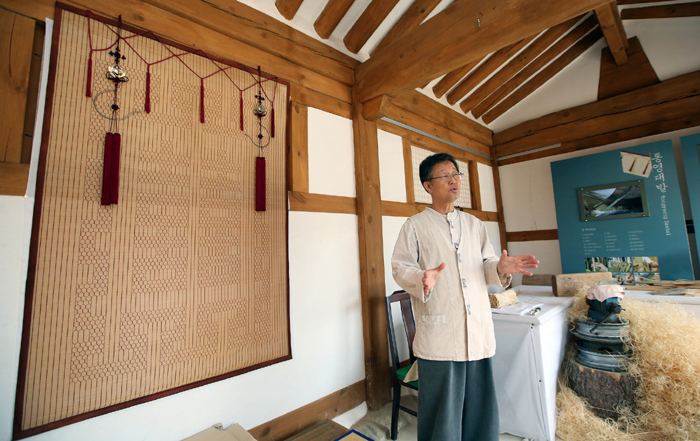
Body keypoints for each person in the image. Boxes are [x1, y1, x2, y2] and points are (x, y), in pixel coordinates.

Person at [391, 153, 539, 441]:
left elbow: (486, 265)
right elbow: (400, 267)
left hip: (478, 332)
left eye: (456, 174)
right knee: (441, 418)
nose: (453, 180)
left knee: (480, 411)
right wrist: (422, 278)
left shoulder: (474, 225)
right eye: (444, 175)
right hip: (440, 336)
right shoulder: (415, 226)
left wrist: (499, 267)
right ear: (428, 186)